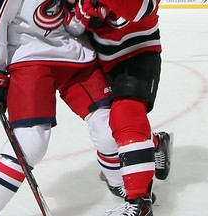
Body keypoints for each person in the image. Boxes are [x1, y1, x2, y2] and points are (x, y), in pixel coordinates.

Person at [0, 0, 172, 215]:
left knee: (109, 128)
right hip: (31, 59)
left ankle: (128, 186)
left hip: (78, 56)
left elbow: (79, 23)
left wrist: (87, 12)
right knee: (30, 142)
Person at [74, 0, 173, 215]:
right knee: (108, 128)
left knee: (126, 113)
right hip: (98, 59)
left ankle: (139, 201)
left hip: (138, 53)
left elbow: (137, 9)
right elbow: (82, 18)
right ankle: (155, 143)